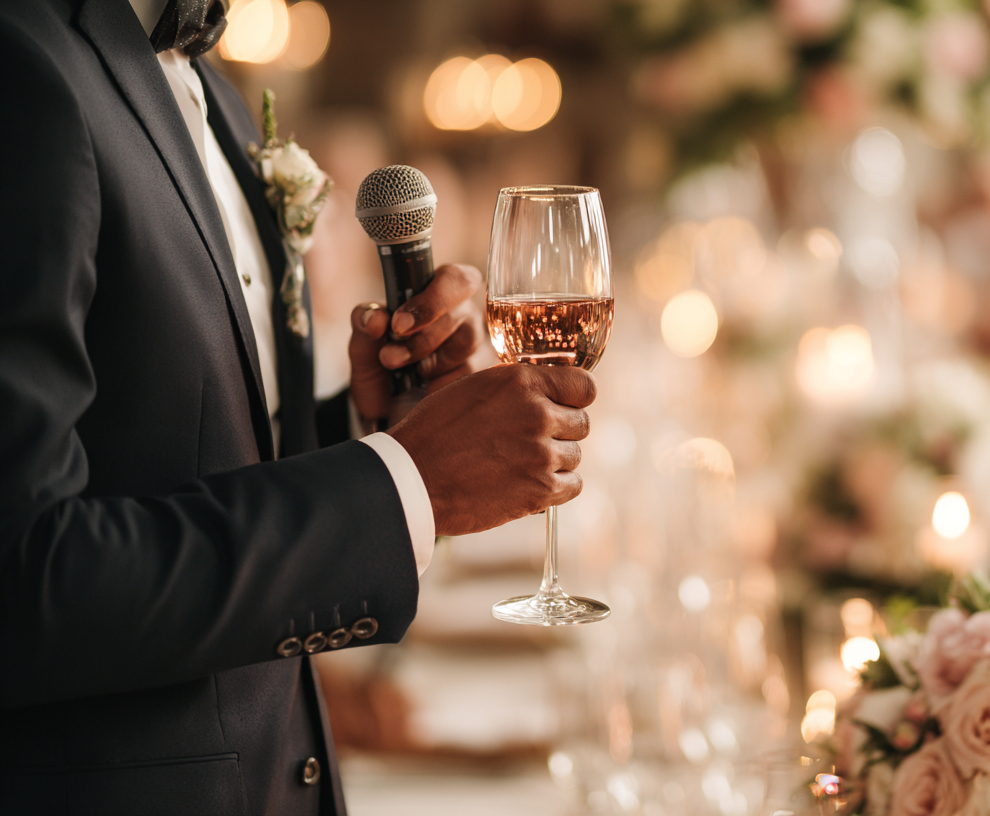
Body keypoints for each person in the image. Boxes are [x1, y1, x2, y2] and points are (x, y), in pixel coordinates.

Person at [0, 1, 594, 813]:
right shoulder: (25, 66)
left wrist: (372, 430)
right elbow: (26, 573)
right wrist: (401, 486)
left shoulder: (215, 94)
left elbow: (188, 454)